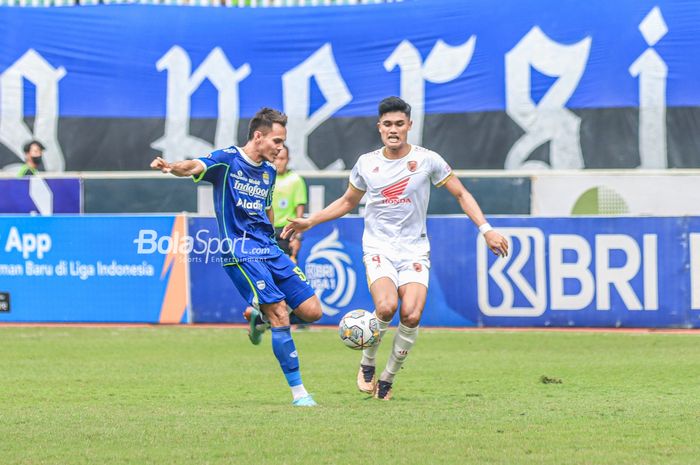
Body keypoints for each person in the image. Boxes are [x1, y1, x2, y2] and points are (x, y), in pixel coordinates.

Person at [282, 96, 509, 400]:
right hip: (378, 247)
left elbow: (461, 193)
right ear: (379, 128)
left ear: (409, 126)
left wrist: (487, 230)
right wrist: (310, 222)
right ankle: (367, 363)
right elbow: (348, 202)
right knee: (387, 307)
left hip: (414, 250)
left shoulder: (428, 159)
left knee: (412, 315)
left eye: (399, 124)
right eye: (387, 124)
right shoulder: (367, 163)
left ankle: (387, 377)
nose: (393, 129)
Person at [150, 108, 323, 407]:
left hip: (268, 247)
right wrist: (170, 167)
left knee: (312, 311)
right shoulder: (227, 160)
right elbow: (193, 166)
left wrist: (277, 238)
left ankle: (259, 315)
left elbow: (266, 208)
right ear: (258, 136)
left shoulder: (269, 172)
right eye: (277, 141)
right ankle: (299, 394)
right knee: (280, 312)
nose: (280, 148)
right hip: (240, 250)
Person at [272, 145, 307, 263]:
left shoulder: (296, 180)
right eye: (276, 158)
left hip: (286, 233)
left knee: (288, 275)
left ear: (288, 160)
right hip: (267, 232)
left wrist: (297, 238)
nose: (278, 162)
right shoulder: (265, 179)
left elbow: (300, 214)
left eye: (282, 159)